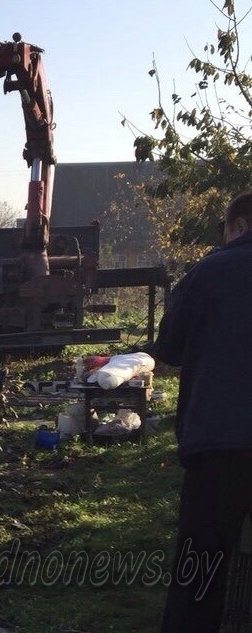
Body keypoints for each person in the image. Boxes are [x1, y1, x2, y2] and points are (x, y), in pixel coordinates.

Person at [156, 190, 252, 631]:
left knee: (201, 570)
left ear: (240, 225)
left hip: (218, 442)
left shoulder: (209, 272)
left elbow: (170, 348)